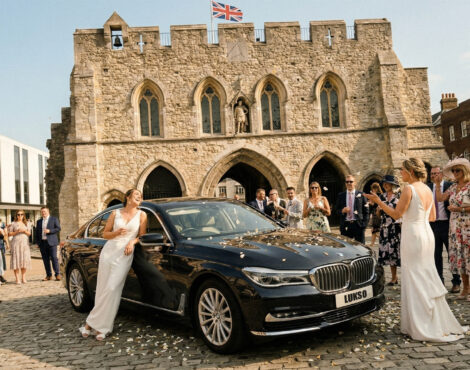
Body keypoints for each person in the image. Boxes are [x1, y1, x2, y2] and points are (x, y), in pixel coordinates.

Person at [365, 157, 468, 342]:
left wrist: (378, 201)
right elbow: (433, 216)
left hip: (413, 235)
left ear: (411, 172)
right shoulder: (428, 188)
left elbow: (396, 214)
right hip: (426, 233)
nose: (401, 174)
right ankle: (429, 318)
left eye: (403, 170)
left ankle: (421, 323)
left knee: (414, 276)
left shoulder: (409, 188)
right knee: (425, 274)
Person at [80, 189, 147, 341]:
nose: (139, 197)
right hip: (109, 252)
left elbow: (142, 235)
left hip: (124, 254)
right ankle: (101, 327)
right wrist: (116, 233)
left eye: (140, 196)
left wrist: (132, 241)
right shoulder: (115, 213)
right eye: (136, 195)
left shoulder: (142, 214)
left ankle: (90, 324)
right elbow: (105, 234)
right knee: (103, 288)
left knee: (112, 288)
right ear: (128, 197)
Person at [434, 157, 470, 301]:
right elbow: (441, 198)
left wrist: (458, 208)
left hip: (467, 225)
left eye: (457, 170)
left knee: (468, 256)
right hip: (455, 226)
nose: (455, 172)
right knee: (460, 256)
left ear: (464, 171)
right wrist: (437, 185)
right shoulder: (453, 187)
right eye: (453, 170)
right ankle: (465, 289)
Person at [428, 165, 461, 293]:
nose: (433, 176)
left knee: (451, 253)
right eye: (431, 174)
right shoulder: (428, 188)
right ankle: (439, 282)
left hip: (447, 223)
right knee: (436, 255)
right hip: (433, 224)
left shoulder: (449, 186)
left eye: (435, 173)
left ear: (441, 174)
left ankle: (456, 281)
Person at [377, 175, 401, 286]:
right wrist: (379, 210)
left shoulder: (399, 195)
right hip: (385, 227)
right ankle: (394, 277)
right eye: (384, 183)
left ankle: (406, 277)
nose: (385, 185)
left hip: (396, 227)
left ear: (392, 184)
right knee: (389, 252)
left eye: (387, 183)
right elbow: (377, 215)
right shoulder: (381, 197)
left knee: (398, 251)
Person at [336, 175, 370, 243]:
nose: (349, 183)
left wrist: (364, 226)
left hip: (358, 225)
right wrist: (342, 211)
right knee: (347, 249)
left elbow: (366, 212)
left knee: (361, 249)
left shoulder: (361, 194)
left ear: (355, 183)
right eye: (347, 182)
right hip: (346, 226)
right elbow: (336, 210)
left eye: (351, 181)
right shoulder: (341, 195)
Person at [36, 207, 62, 281]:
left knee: (54, 258)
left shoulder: (54, 219)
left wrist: (49, 231)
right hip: (42, 243)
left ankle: (57, 274)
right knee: (45, 260)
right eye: (42, 212)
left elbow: (58, 228)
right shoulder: (39, 221)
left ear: (48, 212)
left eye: (44, 211)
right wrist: (37, 242)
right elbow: (37, 233)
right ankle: (48, 275)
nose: (43, 213)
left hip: (52, 242)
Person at [8, 210, 32, 284]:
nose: (20, 216)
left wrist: (24, 231)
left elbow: (29, 233)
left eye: (21, 214)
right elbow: (9, 234)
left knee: (24, 260)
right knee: (16, 260)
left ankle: (23, 278)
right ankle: (17, 279)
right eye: (18, 214)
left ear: (24, 215)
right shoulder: (13, 223)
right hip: (16, 243)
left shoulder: (26, 223)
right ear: (16, 215)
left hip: (24, 244)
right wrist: (17, 231)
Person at [368, 182, 382, 247]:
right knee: (374, 229)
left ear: (376, 188)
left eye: (374, 188)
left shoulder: (380, 195)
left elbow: (380, 204)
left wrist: (373, 204)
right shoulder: (373, 195)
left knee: (376, 229)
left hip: (378, 213)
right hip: (374, 213)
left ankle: (378, 240)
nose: (373, 190)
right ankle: (372, 243)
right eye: (373, 188)